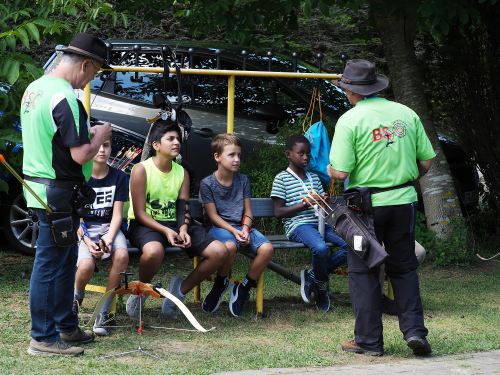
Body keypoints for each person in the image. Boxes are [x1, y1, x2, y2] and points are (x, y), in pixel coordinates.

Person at [328, 59, 436, 356]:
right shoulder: (405, 113)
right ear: (374, 87)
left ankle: (369, 341)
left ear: (351, 91)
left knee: (363, 272)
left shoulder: (350, 120)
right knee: (404, 269)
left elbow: (340, 171)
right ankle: (415, 331)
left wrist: (329, 168)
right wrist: (406, 178)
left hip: (366, 208)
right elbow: (426, 161)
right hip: (403, 202)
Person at [21, 33, 113, 356]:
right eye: (94, 73)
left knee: (64, 260)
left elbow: (54, 139)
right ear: (85, 64)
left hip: (42, 187)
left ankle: (66, 326)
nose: (91, 79)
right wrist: (99, 134)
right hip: (57, 191)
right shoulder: (65, 96)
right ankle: (43, 338)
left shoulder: (35, 89)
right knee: (50, 263)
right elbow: (78, 154)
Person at [126, 119, 228, 317]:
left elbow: (183, 207)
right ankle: (141, 291)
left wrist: (182, 228)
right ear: (156, 145)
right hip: (145, 224)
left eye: (178, 139)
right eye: (170, 139)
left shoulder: (182, 172)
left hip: (174, 223)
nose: (176, 143)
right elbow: (139, 213)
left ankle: (179, 292)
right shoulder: (141, 170)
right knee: (154, 251)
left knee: (219, 251)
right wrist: (165, 231)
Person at [271, 134, 348, 312]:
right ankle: (321, 287)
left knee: (350, 246)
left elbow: (321, 204)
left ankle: (312, 274)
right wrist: (306, 203)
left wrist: (323, 199)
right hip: (298, 225)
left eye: (308, 153)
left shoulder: (313, 178)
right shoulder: (281, 178)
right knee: (320, 248)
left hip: (321, 222)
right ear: (289, 154)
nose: (306, 157)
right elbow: (278, 212)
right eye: (301, 153)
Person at [199, 134, 274, 317]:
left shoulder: (243, 180)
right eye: (231, 155)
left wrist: (246, 229)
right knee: (230, 246)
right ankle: (220, 283)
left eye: (239, 155)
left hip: (241, 227)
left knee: (267, 249)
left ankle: (243, 289)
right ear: (217, 157)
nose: (237, 159)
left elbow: (248, 211)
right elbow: (213, 216)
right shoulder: (207, 184)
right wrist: (235, 231)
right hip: (220, 228)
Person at [73, 133, 129, 336]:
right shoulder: (79, 176)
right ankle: (76, 298)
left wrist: (108, 238)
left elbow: (116, 217)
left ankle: (104, 312)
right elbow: (78, 219)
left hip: (109, 228)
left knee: (122, 256)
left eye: (106, 145)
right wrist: (88, 242)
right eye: (97, 146)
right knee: (86, 266)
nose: (102, 150)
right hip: (86, 230)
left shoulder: (119, 177)